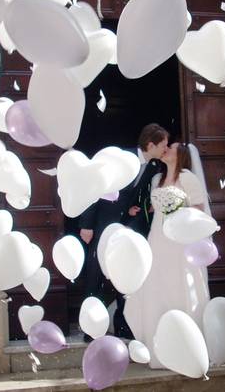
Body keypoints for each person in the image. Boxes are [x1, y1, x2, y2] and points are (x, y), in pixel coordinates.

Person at [124, 142, 211, 368]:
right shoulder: (157, 179)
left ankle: (186, 347)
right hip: (158, 239)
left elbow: (200, 209)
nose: (166, 150)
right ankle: (159, 349)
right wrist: (140, 209)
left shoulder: (188, 178)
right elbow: (155, 208)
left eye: (170, 148)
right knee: (157, 287)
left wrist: (179, 210)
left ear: (180, 155)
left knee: (179, 285)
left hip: (180, 241)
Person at [78, 123, 169, 340]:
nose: (166, 149)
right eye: (163, 145)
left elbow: (128, 194)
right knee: (96, 276)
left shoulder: (151, 166)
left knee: (123, 274)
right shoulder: (122, 158)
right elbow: (97, 188)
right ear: (150, 144)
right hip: (101, 225)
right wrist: (86, 224)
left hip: (124, 227)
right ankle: (91, 328)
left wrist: (129, 211)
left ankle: (121, 325)